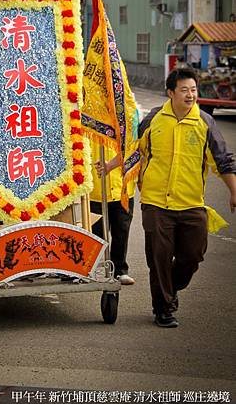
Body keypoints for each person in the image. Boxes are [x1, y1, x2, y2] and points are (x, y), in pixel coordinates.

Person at [97, 68, 236, 329]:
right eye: (184, 90)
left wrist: (233, 190)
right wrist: (111, 165)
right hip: (156, 203)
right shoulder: (154, 119)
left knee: (193, 256)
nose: (190, 95)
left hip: (192, 203)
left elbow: (222, 160)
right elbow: (135, 149)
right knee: (159, 258)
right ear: (171, 93)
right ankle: (164, 308)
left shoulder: (205, 122)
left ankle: (169, 288)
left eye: (193, 90)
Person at [90, 142, 135, 285]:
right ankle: (92, 268)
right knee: (96, 233)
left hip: (122, 188)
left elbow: (134, 149)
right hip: (96, 190)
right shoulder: (88, 121)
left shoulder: (126, 123)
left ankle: (120, 271)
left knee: (121, 231)